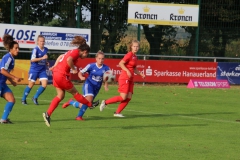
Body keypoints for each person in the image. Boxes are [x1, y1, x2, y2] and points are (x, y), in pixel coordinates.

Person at [42, 36, 99, 127]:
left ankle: (47, 114)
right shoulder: (76, 52)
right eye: (86, 54)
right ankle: (90, 104)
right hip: (62, 75)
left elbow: (61, 56)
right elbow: (69, 60)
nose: (86, 56)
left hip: (56, 74)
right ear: (84, 52)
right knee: (75, 93)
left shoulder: (72, 51)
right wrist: (73, 68)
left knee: (60, 95)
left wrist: (55, 66)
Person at [99, 40, 145, 117]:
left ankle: (117, 113)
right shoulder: (129, 55)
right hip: (124, 78)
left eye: (137, 46)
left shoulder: (135, 57)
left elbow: (134, 68)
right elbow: (120, 63)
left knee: (129, 97)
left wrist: (140, 74)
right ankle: (105, 102)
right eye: (134, 46)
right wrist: (127, 71)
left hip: (130, 79)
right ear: (131, 47)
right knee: (123, 97)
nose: (136, 48)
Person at [62, 50, 110, 121]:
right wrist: (81, 77)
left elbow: (106, 78)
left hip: (97, 88)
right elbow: (80, 72)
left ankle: (71, 102)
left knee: (86, 104)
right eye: (99, 58)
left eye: (102, 59)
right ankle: (79, 117)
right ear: (96, 58)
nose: (101, 60)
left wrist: (106, 85)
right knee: (89, 101)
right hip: (89, 85)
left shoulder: (106, 68)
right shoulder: (91, 66)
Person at [0, 34, 23, 124]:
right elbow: (2, 71)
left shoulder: (12, 59)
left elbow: (6, 72)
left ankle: (3, 119)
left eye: (18, 48)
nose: (18, 50)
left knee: (11, 100)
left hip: (3, 84)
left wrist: (12, 81)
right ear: (11, 49)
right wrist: (14, 77)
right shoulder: (8, 58)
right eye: (16, 48)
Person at [21, 35, 49, 105]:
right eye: (41, 41)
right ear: (38, 42)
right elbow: (33, 60)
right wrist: (42, 58)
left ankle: (35, 97)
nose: (42, 43)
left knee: (44, 84)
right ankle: (23, 99)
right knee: (31, 84)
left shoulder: (46, 49)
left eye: (43, 41)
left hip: (42, 70)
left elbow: (44, 58)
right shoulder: (35, 49)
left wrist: (46, 62)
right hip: (34, 69)